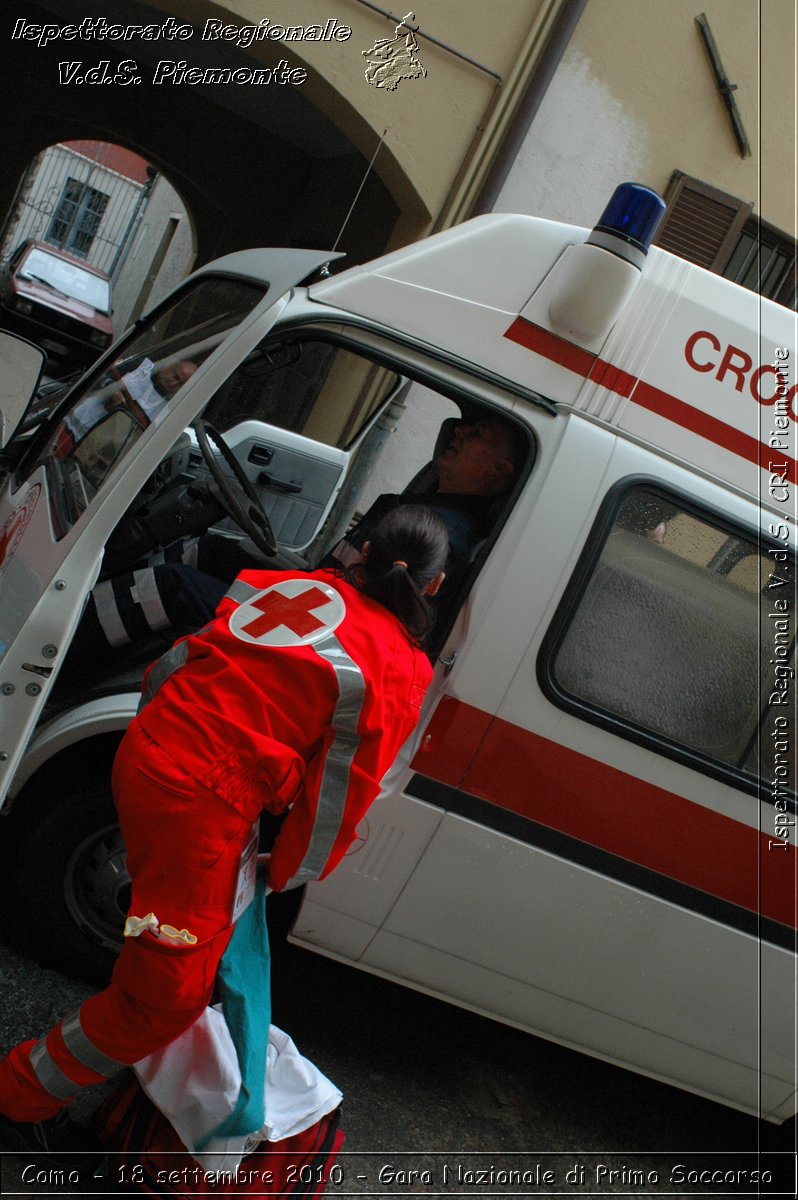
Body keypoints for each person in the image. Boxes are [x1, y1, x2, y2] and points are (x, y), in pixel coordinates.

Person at [0, 505, 448, 1154]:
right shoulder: (401, 672)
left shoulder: (288, 588)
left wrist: (165, 739)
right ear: (432, 587)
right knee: (168, 999)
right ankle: (17, 1098)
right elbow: (336, 805)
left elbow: (179, 660)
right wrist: (283, 871)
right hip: (202, 801)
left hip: (149, 747)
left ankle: (112, 1051)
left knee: (185, 958)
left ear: (364, 550)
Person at [71, 413, 525, 656]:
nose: (461, 431)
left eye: (480, 434)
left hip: (319, 631)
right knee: (209, 549)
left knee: (169, 587)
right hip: (319, 600)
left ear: (498, 469)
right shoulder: (430, 509)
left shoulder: (447, 535)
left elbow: (368, 612)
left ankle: (60, 646)